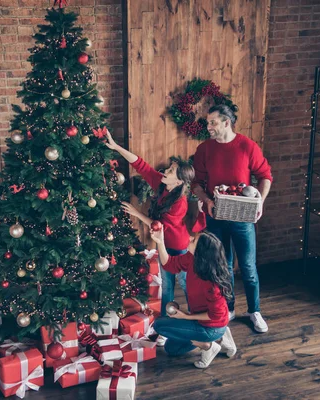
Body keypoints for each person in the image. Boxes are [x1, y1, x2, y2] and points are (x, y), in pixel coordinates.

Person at [104, 130, 194, 346]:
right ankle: (164, 328)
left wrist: (136, 213)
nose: (166, 171)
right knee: (168, 288)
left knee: (188, 286)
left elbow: (159, 226)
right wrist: (115, 147)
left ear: (180, 181)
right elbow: (140, 164)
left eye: (171, 171)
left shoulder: (179, 202)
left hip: (179, 248)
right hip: (164, 246)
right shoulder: (162, 185)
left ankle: (196, 322)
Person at [192, 104, 273, 333]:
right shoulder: (204, 149)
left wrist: (260, 201)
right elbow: (196, 183)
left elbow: (265, 176)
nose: (208, 127)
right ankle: (228, 308)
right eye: (208, 123)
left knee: (247, 266)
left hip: (242, 219)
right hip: (215, 217)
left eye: (213, 123)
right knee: (222, 266)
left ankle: (254, 310)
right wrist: (206, 200)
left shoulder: (248, 146)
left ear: (227, 122)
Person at [151, 228, 236, 369]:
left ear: (201, 251)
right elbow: (169, 264)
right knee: (171, 349)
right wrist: (160, 241)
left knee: (159, 325)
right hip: (200, 320)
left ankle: (208, 345)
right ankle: (221, 338)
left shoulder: (212, 284)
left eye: (194, 240)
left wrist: (185, 316)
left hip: (212, 326)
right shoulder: (192, 258)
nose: (190, 238)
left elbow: (216, 315)